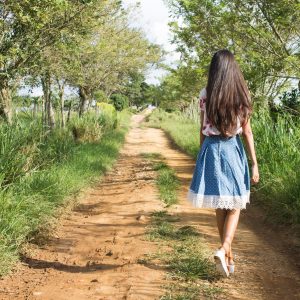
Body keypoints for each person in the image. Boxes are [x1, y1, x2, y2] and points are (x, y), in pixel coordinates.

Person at [187, 49, 259, 277]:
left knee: (221, 204)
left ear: (215, 70)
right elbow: (247, 131)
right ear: (233, 69)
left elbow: (202, 128)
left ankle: (227, 256)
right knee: (235, 204)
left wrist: (200, 156)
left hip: (210, 148)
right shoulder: (242, 94)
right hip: (232, 148)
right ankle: (224, 248)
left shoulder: (206, 93)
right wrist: (254, 163)